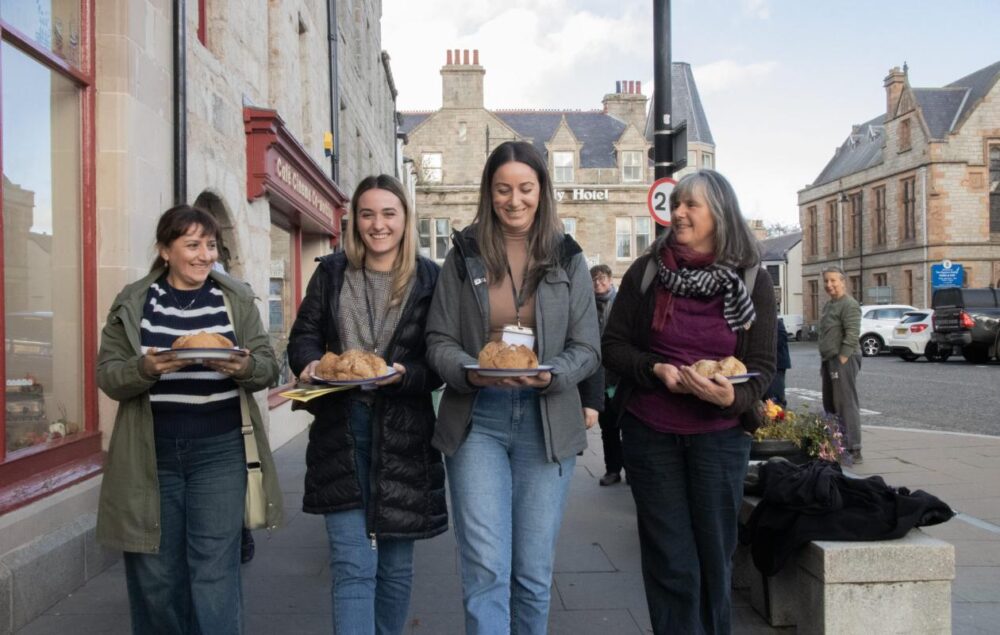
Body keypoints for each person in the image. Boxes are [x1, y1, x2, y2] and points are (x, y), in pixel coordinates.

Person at [425, 140, 600, 634]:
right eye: (503, 189)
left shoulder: (568, 257)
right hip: (477, 418)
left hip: (547, 423)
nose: (515, 200)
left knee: (532, 572)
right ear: (489, 192)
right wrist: (466, 368)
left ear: (543, 191)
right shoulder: (462, 254)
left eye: (526, 188)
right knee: (484, 566)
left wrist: (553, 373)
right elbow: (437, 338)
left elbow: (588, 346)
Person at [602, 169, 776, 635]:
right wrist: (654, 370)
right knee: (669, 559)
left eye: (690, 205)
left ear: (719, 213)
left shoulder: (751, 277)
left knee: (715, 558)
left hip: (719, 438)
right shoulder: (648, 272)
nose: (678, 213)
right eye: (676, 204)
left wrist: (733, 395)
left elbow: (762, 363)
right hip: (650, 431)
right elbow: (614, 346)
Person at [96, 205, 282, 634]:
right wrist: (148, 369)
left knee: (214, 574)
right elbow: (109, 376)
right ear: (165, 250)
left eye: (211, 245)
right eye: (192, 245)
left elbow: (268, 367)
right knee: (156, 577)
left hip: (219, 453)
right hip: (150, 457)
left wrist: (242, 368)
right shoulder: (134, 302)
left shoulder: (233, 298)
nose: (205, 255)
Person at [287, 174, 447, 635]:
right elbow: (304, 336)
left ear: (405, 219)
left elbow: (437, 357)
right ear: (354, 220)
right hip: (342, 426)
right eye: (368, 214)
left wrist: (405, 375)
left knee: (395, 568)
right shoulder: (332, 272)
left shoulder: (430, 278)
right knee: (352, 564)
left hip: (405, 432)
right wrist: (311, 363)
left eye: (389, 213)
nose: (378, 224)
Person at [818, 266, 863, 463]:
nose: (829, 285)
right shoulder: (829, 305)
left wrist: (842, 359)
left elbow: (852, 334)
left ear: (843, 282)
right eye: (826, 281)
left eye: (833, 281)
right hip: (829, 360)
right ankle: (837, 445)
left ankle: (854, 448)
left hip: (842, 360)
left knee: (845, 403)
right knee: (830, 404)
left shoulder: (849, 304)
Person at [589, 264, 624, 486]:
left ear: (610, 279)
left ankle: (632, 469)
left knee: (629, 427)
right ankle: (612, 470)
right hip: (599, 374)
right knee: (608, 427)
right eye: (594, 280)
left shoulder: (622, 302)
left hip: (621, 374)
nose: (599, 283)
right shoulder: (586, 305)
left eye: (602, 279)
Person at [765, 316, 790, 407]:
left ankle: (779, 415)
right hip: (766, 365)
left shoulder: (777, 322)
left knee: (776, 395)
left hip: (778, 365)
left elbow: (782, 338)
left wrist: (765, 346)